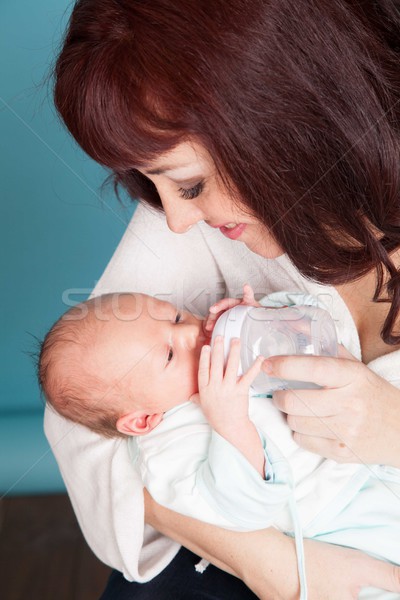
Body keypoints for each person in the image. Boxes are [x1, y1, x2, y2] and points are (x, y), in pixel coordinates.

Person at [45, 0, 400, 597]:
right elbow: (83, 410)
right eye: (152, 184)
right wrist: (273, 566)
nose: (176, 220)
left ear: (288, 122)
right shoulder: (201, 198)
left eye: (190, 185)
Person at [39, 288, 400, 599]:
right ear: (142, 420)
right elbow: (245, 510)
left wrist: (266, 315)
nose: (192, 334)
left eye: (177, 317)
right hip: (341, 517)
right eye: (168, 355)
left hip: (371, 454)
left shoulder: (226, 355)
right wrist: (230, 423)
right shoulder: (166, 457)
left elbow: (319, 332)